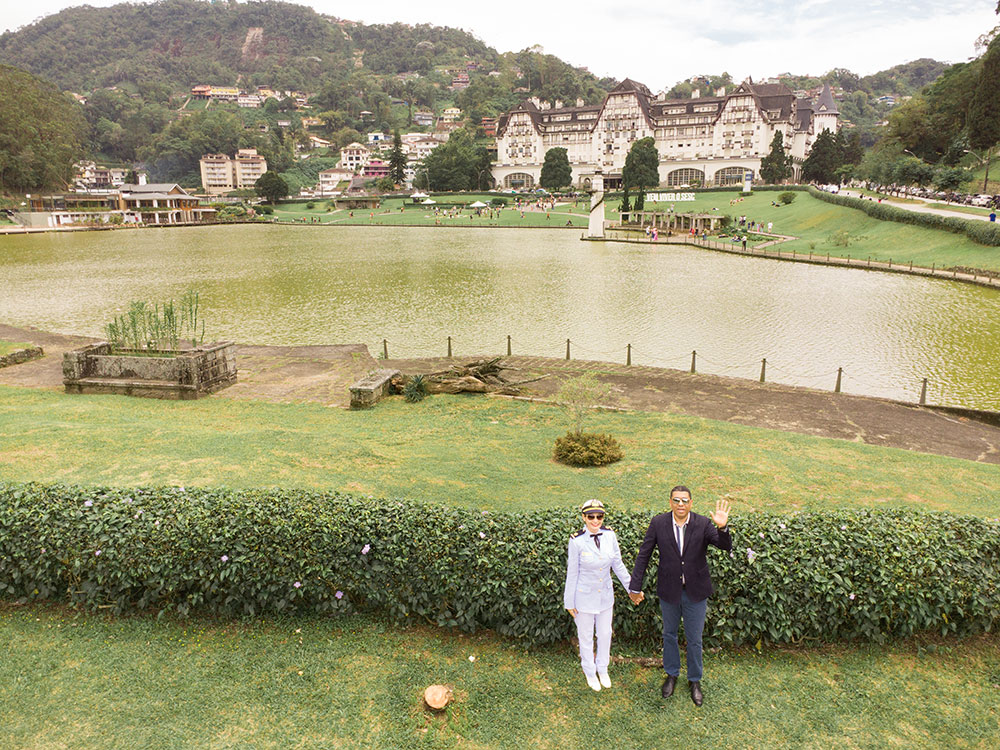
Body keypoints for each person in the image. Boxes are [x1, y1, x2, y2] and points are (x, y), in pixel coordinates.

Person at [629, 486, 731, 706]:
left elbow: (724, 546)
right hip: (669, 591)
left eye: (685, 500)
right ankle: (672, 674)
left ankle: (694, 680)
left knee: (695, 639)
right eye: (676, 500)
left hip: (696, 593)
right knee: (669, 635)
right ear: (670, 502)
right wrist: (634, 586)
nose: (681, 504)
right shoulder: (659, 523)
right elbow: (644, 555)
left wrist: (722, 528)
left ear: (691, 503)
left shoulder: (703, 523)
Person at [564, 499, 638, 692]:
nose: (595, 521)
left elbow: (618, 565)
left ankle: (602, 668)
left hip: (605, 596)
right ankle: (589, 671)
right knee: (586, 636)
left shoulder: (609, 535)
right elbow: (572, 572)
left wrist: (632, 588)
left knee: (605, 634)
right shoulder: (576, 541)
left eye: (599, 516)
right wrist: (569, 602)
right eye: (591, 517)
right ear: (583, 517)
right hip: (583, 597)